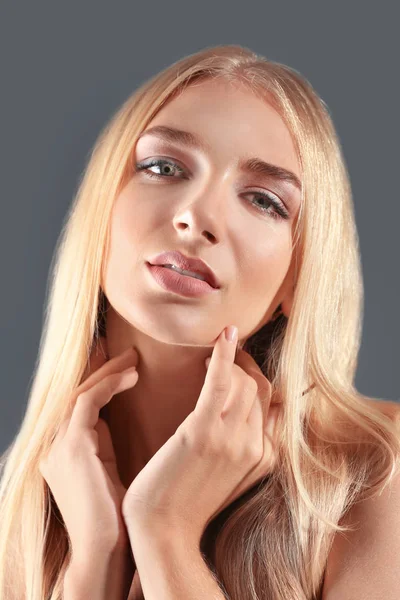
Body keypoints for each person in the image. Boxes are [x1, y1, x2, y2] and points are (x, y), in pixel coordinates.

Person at [0, 44, 399, 600]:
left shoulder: (380, 472)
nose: (197, 217)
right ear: (102, 209)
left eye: (263, 200)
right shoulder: (17, 512)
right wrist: (97, 557)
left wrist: (165, 530)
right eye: (162, 167)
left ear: (296, 277)